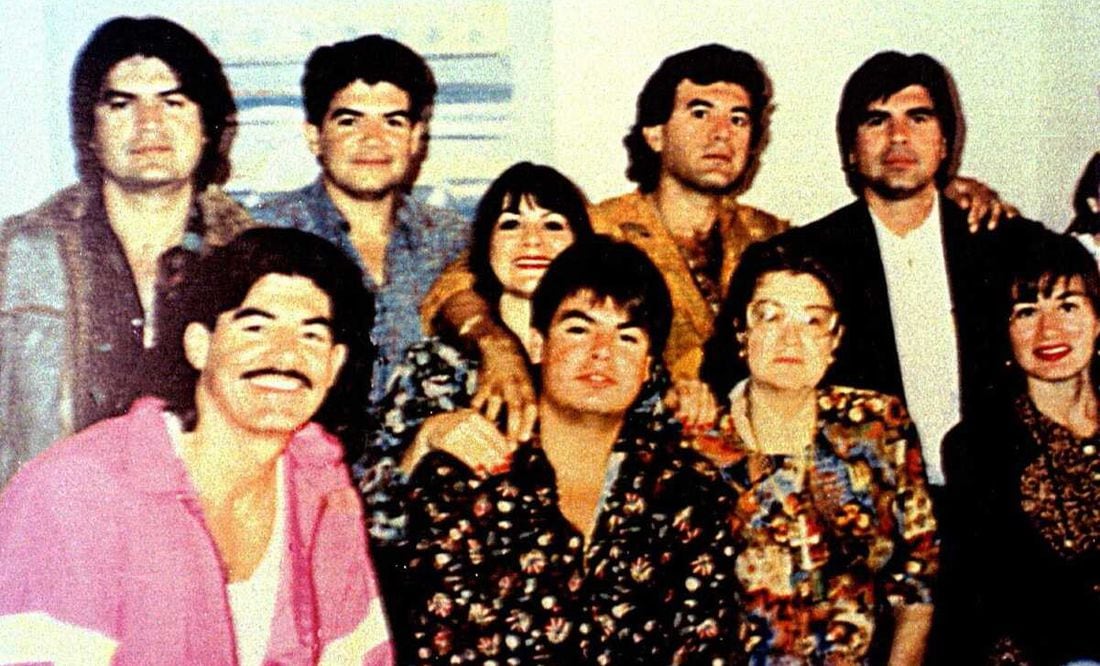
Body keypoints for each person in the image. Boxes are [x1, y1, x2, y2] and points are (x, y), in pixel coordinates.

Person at [418, 45, 1016, 444]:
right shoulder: (594, 229)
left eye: (739, 118)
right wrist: (495, 345)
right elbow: (462, 282)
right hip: (635, 470)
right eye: (700, 112)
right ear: (655, 133)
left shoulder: (773, 237)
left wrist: (947, 190)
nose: (721, 133)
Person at [0, 228, 392, 665]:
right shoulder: (77, 490)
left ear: (334, 365)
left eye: (311, 336)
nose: (285, 356)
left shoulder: (322, 489)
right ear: (199, 346)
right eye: (256, 328)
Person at [384, 237, 742, 663]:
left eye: (627, 337)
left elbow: (707, 646)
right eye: (579, 329)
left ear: (648, 368)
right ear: (538, 345)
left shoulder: (689, 493)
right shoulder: (467, 477)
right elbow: (439, 644)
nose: (601, 352)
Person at [767, 51, 1047, 490]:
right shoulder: (798, 259)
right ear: (851, 150)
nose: (898, 136)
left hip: (1003, 507)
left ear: (945, 143)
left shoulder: (1009, 247)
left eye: (918, 118)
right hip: (862, 511)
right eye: (876, 120)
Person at [0, 16, 253, 488]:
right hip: (52, 519)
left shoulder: (255, 260)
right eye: (121, 104)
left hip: (210, 520)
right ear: (90, 132)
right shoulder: (16, 257)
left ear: (207, 128)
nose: (149, 124)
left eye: (173, 102)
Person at [696, 241, 938, 665]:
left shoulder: (876, 426)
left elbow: (916, 585)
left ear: (834, 339)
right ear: (741, 331)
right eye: (770, 316)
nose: (790, 338)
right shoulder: (697, 441)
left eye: (813, 320)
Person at [357, 161, 594, 530]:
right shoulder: (435, 367)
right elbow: (372, 517)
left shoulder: (607, 357)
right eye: (511, 224)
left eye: (552, 225)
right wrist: (425, 440)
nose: (532, 240)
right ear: (485, 245)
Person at [249, 34, 468, 408]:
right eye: (350, 121)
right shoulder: (263, 234)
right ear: (314, 136)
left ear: (416, 138)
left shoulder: (455, 242)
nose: (372, 140)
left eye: (393, 122)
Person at [943, 232, 1100, 665]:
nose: (1050, 330)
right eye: (1027, 311)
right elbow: (995, 606)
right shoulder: (976, 448)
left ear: (1097, 319)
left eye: (1068, 306)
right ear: (1005, 331)